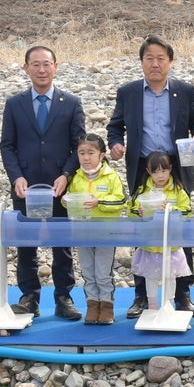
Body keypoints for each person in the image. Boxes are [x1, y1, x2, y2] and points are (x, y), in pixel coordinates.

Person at [108, 35, 194, 317]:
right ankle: (141, 294)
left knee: (180, 226)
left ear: (170, 62)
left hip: (176, 165)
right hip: (142, 167)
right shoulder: (128, 92)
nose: (155, 63)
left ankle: (183, 293)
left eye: (161, 58)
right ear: (141, 62)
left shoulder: (184, 91)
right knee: (143, 227)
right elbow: (115, 126)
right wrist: (116, 143)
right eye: (149, 58)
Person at [0, 44, 86, 320]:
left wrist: (67, 174)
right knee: (26, 244)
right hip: (26, 187)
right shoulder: (15, 104)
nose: (41, 69)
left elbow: (79, 146)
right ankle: (29, 297)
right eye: (35, 64)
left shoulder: (71, 103)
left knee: (62, 244)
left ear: (56, 67)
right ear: (26, 68)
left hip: (59, 187)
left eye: (46, 64)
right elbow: (7, 145)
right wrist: (16, 177)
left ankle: (64, 297)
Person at [67, 133, 127, 325]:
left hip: (106, 234)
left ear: (101, 155)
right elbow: (70, 199)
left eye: (91, 153)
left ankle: (107, 306)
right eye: (81, 153)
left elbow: (120, 200)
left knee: (103, 273)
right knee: (87, 272)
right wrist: (66, 200)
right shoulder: (76, 178)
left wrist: (99, 202)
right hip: (82, 233)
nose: (86, 157)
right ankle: (92, 305)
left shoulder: (111, 176)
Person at [131, 150, 193, 312]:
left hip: (171, 244)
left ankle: (168, 306)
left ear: (170, 169)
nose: (160, 175)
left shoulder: (178, 190)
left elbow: (187, 211)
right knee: (150, 276)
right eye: (156, 171)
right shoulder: (142, 191)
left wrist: (172, 209)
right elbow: (131, 211)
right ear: (148, 172)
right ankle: (151, 306)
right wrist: (140, 212)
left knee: (170, 276)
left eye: (164, 170)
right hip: (150, 244)